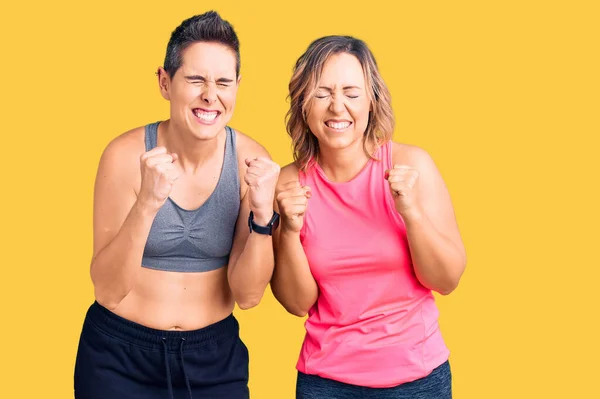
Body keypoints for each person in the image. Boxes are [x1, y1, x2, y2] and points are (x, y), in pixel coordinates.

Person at [74, 11, 280, 399]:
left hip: (214, 360)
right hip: (119, 358)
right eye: (196, 79)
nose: (210, 95)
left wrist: (263, 216)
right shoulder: (124, 156)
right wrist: (147, 205)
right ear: (165, 83)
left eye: (223, 82)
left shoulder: (250, 160)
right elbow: (108, 290)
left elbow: (249, 296)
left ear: (237, 86)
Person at [271, 35, 466, 398]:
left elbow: (447, 279)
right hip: (325, 383)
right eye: (322, 92)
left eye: (351, 92)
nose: (337, 106)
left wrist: (411, 212)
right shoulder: (287, 184)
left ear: (372, 101)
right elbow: (297, 304)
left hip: (419, 381)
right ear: (302, 103)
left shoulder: (412, 165)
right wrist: (288, 231)